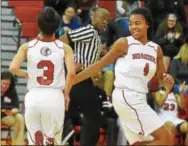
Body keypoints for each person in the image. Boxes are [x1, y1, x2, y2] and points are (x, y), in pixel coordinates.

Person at [73, 7, 175, 145]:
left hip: (138, 97)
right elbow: (99, 65)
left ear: (148, 24)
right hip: (127, 96)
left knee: (140, 143)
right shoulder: (124, 43)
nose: (133, 27)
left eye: (137, 23)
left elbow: (163, 78)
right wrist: (72, 79)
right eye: (131, 23)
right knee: (166, 139)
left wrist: (168, 81)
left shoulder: (156, 49)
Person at [9, 7, 75, 145]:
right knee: (54, 141)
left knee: (34, 141)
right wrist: (67, 94)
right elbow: (72, 73)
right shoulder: (65, 48)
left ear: (39, 25)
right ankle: (49, 139)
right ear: (57, 27)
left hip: (34, 96)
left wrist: (25, 73)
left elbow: (13, 68)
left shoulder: (27, 47)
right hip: (54, 96)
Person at [60, 7, 109, 146]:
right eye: (102, 18)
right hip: (79, 77)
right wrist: (67, 62)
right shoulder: (89, 30)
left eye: (107, 19)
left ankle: (52, 139)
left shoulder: (97, 36)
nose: (104, 21)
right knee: (93, 115)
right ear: (93, 17)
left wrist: (101, 55)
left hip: (81, 78)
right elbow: (64, 39)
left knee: (67, 113)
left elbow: (88, 56)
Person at [1, 71, 25, 145]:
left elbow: (16, 107)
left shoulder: (12, 91)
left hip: (5, 116)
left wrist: (12, 111)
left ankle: (18, 143)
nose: (5, 86)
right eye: (3, 83)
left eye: (7, 84)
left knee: (20, 118)